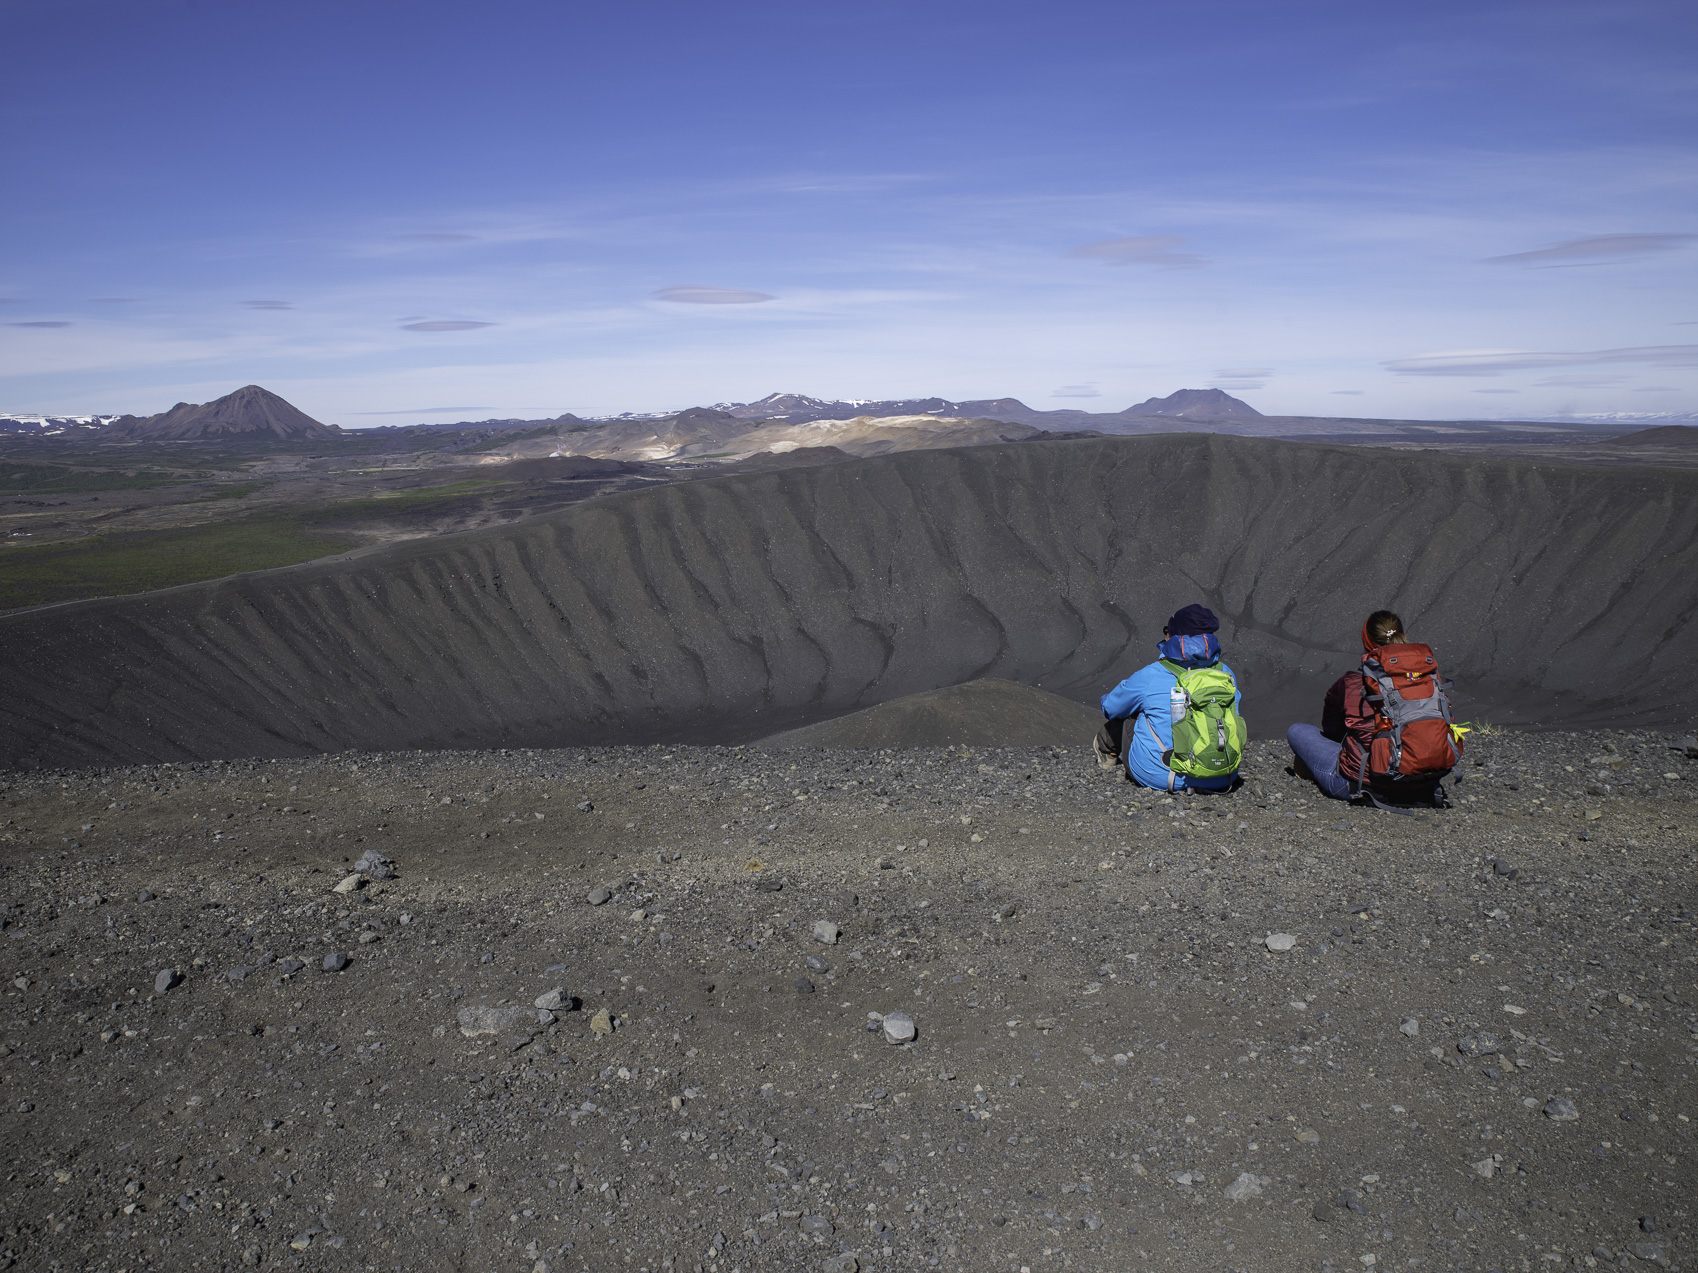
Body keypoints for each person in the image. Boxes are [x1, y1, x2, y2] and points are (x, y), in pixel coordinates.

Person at [1289, 609, 1460, 803]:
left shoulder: (1352, 682)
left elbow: (1331, 730)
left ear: (1366, 642)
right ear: (1403, 636)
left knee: (1298, 731)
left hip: (1363, 784)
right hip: (1424, 783)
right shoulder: (1428, 678)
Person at [1095, 603, 1244, 791]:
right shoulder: (1226, 674)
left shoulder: (1152, 675)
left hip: (1163, 775)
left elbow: (1111, 708)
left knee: (1131, 714)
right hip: (1223, 776)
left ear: (1173, 637)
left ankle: (1109, 754)